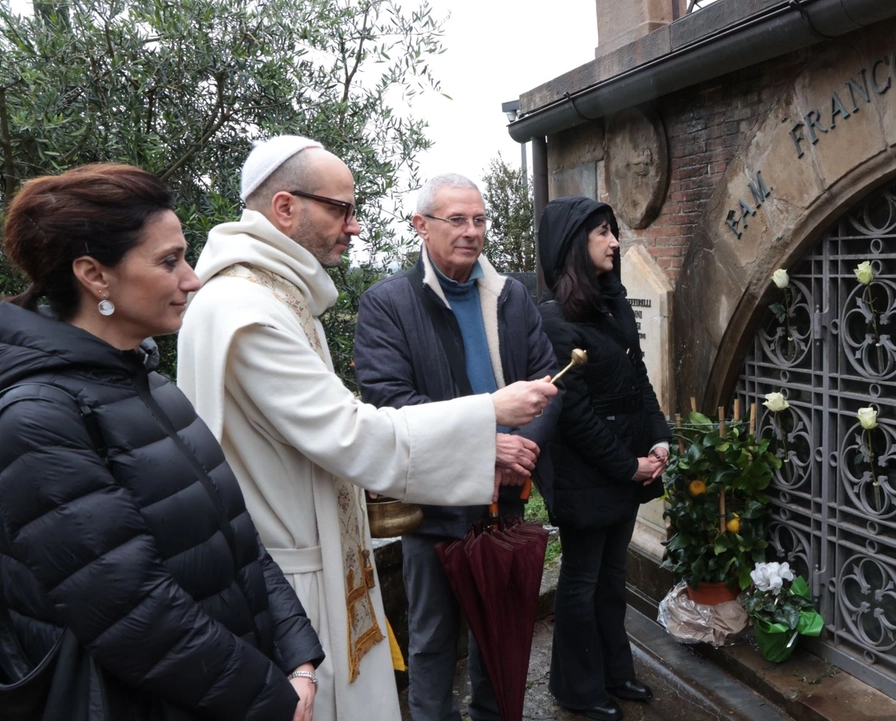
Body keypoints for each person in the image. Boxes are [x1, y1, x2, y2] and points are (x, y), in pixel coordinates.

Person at [176, 136, 557, 721]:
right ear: (285, 208)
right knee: (422, 646)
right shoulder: (247, 309)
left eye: (480, 219)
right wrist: (488, 418)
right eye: (342, 209)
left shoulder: (267, 295)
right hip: (302, 574)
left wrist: (512, 445)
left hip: (348, 541)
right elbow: (352, 431)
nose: (354, 228)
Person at [0, 164, 324, 720]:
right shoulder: (37, 418)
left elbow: (235, 534)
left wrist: (297, 655)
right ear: (94, 276)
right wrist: (270, 698)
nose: (192, 278)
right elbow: (133, 613)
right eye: (169, 260)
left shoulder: (149, 382)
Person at [353, 172, 561, 721]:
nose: (471, 231)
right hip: (433, 506)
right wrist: (485, 447)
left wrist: (520, 452)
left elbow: (547, 384)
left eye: (479, 219)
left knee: (500, 636)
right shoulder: (388, 304)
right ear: (421, 226)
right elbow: (390, 403)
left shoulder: (511, 296)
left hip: (503, 501)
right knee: (432, 641)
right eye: (457, 220)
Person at [536, 196, 671, 721]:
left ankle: (616, 673)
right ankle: (576, 686)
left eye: (613, 232)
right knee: (581, 581)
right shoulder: (553, 321)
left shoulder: (612, 307)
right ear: (574, 245)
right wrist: (627, 465)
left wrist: (658, 440)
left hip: (626, 470)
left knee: (612, 579)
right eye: (602, 233)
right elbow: (575, 416)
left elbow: (638, 383)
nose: (615, 242)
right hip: (588, 475)